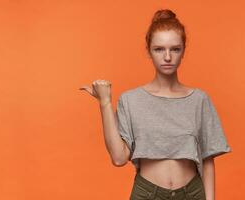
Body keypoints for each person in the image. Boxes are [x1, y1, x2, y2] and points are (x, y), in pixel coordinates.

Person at [79, 9, 232, 200]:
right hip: (147, 194)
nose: (167, 57)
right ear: (149, 51)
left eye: (175, 49)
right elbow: (119, 158)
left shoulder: (199, 100)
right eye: (159, 49)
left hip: (193, 193)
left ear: (183, 50)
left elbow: (207, 160)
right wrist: (105, 102)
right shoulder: (131, 100)